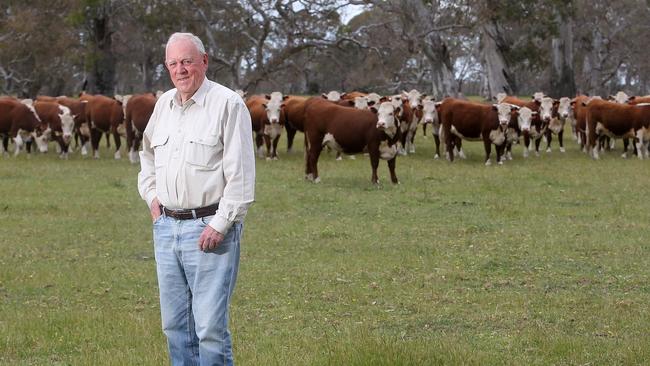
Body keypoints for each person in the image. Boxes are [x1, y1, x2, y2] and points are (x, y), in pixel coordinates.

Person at [138, 32, 255, 366]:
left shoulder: (228, 104)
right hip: (166, 227)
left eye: (187, 61)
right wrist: (152, 196)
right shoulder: (164, 105)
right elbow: (146, 155)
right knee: (175, 325)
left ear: (205, 61)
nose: (181, 69)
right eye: (173, 63)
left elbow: (242, 175)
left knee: (209, 330)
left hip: (209, 227)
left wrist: (221, 224)